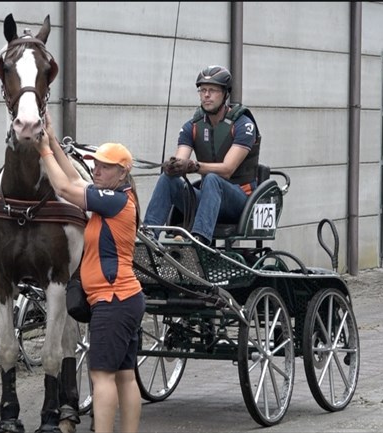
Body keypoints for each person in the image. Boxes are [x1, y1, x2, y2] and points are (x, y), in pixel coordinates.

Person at [33, 114, 145, 433]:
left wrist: (43, 152)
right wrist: (53, 140)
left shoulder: (115, 201)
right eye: (95, 163)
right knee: (124, 375)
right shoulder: (113, 197)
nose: (97, 169)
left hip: (113, 300)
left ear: (122, 172)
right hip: (125, 300)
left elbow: (66, 188)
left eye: (105, 166)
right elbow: (77, 181)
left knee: (102, 376)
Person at [143, 65, 260, 245]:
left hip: (240, 202)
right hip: (207, 198)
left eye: (212, 90)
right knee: (168, 178)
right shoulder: (193, 126)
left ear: (225, 94)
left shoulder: (243, 124)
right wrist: (174, 166)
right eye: (203, 90)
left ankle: (199, 242)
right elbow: (182, 158)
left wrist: (194, 166)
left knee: (212, 178)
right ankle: (149, 237)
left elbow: (228, 169)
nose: (206, 95)